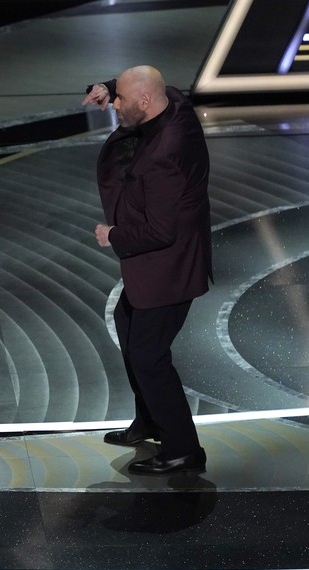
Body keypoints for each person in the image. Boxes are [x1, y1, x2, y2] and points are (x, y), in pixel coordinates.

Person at [82, 65, 212, 475]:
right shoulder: (174, 104)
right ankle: (151, 420)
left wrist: (114, 235)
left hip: (169, 268)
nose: (114, 105)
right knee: (127, 323)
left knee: (149, 355)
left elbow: (159, 230)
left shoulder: (164, 154)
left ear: (143, 102)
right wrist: (107, 85)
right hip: (157, 266)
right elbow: (159, 83)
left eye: (120, 99)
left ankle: (183, 449)